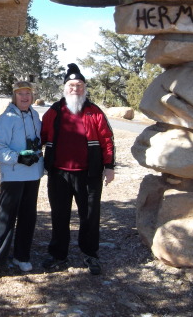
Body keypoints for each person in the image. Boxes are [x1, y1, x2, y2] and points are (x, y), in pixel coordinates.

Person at [40, 63, 115, 275]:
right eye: (72, 85)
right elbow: (40, 137)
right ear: (65, 88)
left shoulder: (94, 112)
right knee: (59, 215)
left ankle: (90, 254)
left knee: (90, 216)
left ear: (85, 88)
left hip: (88, 174)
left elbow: (107, 140)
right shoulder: (54, 111)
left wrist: (109, 166)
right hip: (59, 174)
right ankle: (58, 255)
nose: (76, 89)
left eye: (80, 85)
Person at [0, 81, 44, 281]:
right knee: (7, 217)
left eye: (28, 93)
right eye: (21, 94)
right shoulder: (6, 118)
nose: (25, 97)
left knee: (28, 217)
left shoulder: (35, 115)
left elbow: (37, 141)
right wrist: (18, 157)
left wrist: (36, 155)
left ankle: (21, 256)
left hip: (33, 174)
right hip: (13, 174)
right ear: (14, 96)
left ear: (32, 96)